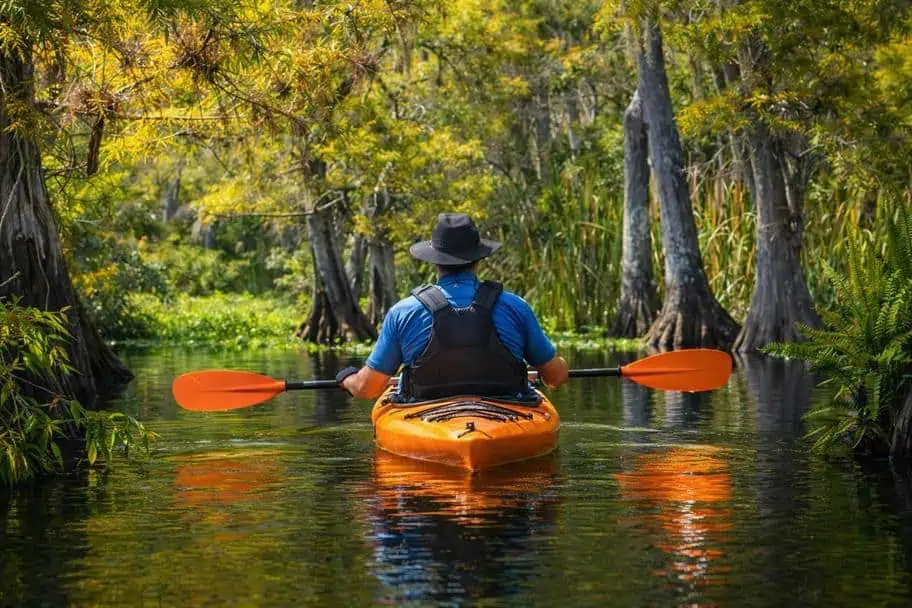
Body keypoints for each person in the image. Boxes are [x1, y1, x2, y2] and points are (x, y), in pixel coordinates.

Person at [336, 212, 568, 400]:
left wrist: (347, 378)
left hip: (428, 421)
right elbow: (556, 377)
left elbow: (368, 389)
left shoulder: (402, 312)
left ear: (435, 261)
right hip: (507, 418)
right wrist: (562, 363)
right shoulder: (516, 307)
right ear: (478, 260)